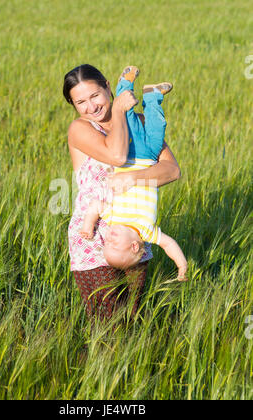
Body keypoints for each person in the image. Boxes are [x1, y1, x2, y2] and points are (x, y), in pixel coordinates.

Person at [63, 64, 181, 320]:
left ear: (107, 86)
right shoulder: (80, 130)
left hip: (134, 238)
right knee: (107, 321)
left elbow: (171, 170)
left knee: (132, 314)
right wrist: (117, 109)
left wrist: (134, 177)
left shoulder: (139, 122)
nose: (91, 107)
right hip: (92, 238)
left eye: (95, 95)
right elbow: (116, 156)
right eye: (80, 102)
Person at [79, 67, 188, 281]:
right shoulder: (147, 232)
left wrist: (88, 225)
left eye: (106, 243)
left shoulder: (113, 219)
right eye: (114, 243)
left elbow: (95, 206)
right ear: (134, 245)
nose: (108, 238)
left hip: (131, 155)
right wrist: (181, 265)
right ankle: (153, 96)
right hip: (150, 156)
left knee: (129, 120)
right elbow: (168, 244)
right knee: (158, 126)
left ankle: (125, 85)